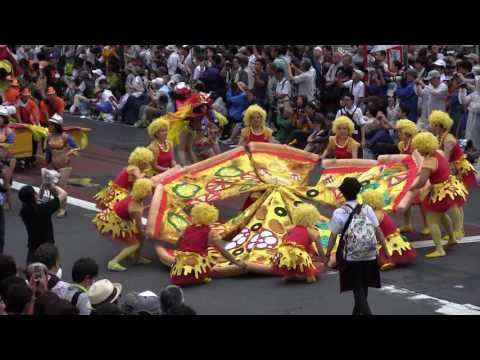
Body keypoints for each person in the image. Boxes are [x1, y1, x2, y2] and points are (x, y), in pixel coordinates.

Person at [325, 177, 389, 315]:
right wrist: (386, 249)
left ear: (342, 192)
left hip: (352, 257)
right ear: (358, 191)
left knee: (358, 290)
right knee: (363, 290)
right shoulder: (367, 209)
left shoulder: (338, 213)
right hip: (370, 254)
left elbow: (333, 236)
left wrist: (327, 254)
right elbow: (378, 230)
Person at [406, 132, 466, 258]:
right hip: (449, 189)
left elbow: (422, 182)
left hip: (440, 193)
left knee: (432, 219)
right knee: (442, 215)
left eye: (418, 148)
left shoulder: (429, 161)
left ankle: (439, 249)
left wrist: (410, 188)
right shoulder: (438, 154)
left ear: (423, 147)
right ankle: (451, 238)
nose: (417, 150)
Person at [171, 203, 247, 285]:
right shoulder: (210, 232)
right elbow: (222, 251)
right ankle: (201, 276)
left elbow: (179, 244)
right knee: (212, 253)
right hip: (195, 273)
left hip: (177, 273)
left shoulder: (187, 228)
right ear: (212, 217)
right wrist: (237, 263)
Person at [93, 178, 153, 272]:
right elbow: (138, 224)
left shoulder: (133, 197)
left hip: (115, 217)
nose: (151, 192)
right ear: (144, 192)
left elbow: (134, 212)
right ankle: (113, 262)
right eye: (150, 190)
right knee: (135, 244)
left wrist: (146, 208)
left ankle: (136, 258)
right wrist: (144, 233)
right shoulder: (135, 206)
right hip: (115, 222)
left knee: (139, 236)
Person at [360, 189, 416, 271]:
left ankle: (387, 261)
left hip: (387, 239)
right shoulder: (379, 211)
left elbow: (373, 230)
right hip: (391, 238)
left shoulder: (375, 214)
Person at [272, 203, 326, 283]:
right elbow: (321, 253)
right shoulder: (313, 233)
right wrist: (323, 260)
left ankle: (289, 273)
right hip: (299, 255)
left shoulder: (290, 228)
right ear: (313, 218)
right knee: (319, 265)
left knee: (298, 252)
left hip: (284, 254)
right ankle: (309, 274)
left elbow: (286, 239)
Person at [395, 119, 429, 236]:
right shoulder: (401, 145)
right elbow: (403, 160)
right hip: (409, 174)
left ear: (408, 133)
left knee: (421, 201)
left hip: (418, 174)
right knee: (407, 199)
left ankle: (427, 225)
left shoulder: (414, 144)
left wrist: (417, 176)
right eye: (398, 132)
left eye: (400, 132)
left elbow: (420, 162)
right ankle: (407, 224)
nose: (398, 134)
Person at [18, 183, 67, 264]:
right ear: (34, 195)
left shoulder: (24, 211)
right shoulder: (45, 209)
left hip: (33, 248)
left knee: (33, 272)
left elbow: (36, 203)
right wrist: (53, 186)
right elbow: (64, 194)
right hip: (48, 249)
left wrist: (39, 194)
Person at [45, 114, 79, 217]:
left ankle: (63, 209)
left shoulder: (66, 137)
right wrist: (47, 161)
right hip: (53, 164)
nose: (49, 126)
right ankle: (58, 204)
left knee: (61, 186)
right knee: (52, 187)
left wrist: (69, 153)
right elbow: (48, 150)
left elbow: (76, 147)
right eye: (49, 124)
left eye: (51, 125)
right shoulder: (49, 136)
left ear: (56, 126)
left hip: (65, 165)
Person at [0, 107, 16, 212]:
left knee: (6, 182)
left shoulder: (9, 131)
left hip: (7, 160)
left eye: (0, 117)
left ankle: (7, 201)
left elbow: (10, 147)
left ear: (5, 118)